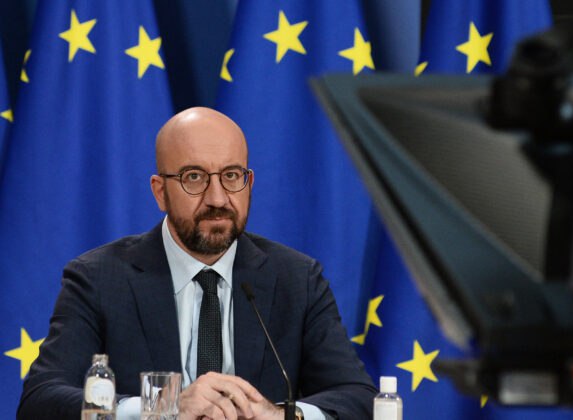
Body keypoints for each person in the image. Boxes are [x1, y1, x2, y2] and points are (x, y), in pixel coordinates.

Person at [17, 107, 376, 419]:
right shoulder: (98, 279)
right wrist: (163, 409)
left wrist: (282, 415)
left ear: (249, 182)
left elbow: (359, 399)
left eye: (231, 176)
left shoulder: (297, 279)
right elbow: (40, 401)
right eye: (194, 177)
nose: (217, 198)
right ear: (160, 191)